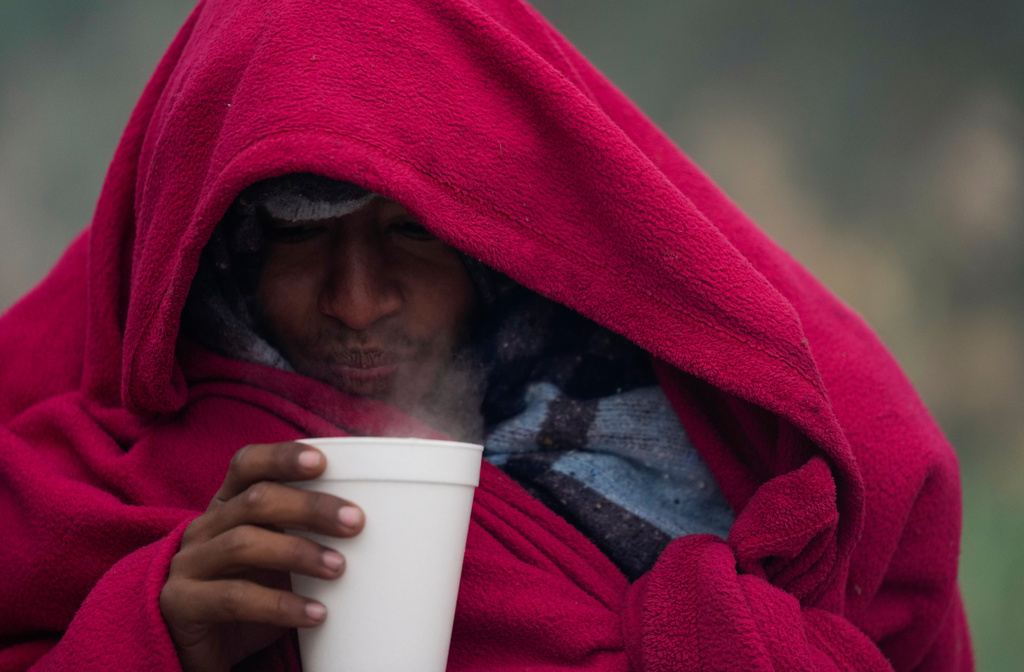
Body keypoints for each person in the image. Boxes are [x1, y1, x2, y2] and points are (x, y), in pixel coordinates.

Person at [0, 0, 972, 671]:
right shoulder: (98, 484)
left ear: (492, 247)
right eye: (299, 236)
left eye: (408, 232)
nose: (355, 301)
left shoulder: (687, 454)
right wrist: (153, 632)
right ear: (221, 254)